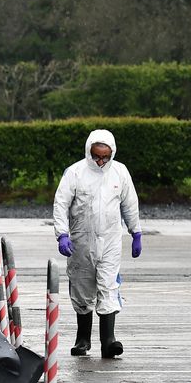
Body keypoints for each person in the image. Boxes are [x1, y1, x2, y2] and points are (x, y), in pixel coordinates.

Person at [53, 129, 142, 358]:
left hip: (111, 239)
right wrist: (62, 234)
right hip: (81, 240)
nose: (101, 161)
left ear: (112, 153)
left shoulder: (120, 172)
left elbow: (129, 203)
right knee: (82, 288)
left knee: (108, 285)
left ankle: (108, 340)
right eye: (96, 156)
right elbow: (61, 204)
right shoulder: (75, 173)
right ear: (89, 152)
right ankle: (82, 339)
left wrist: (136, 232)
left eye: (105, 156)